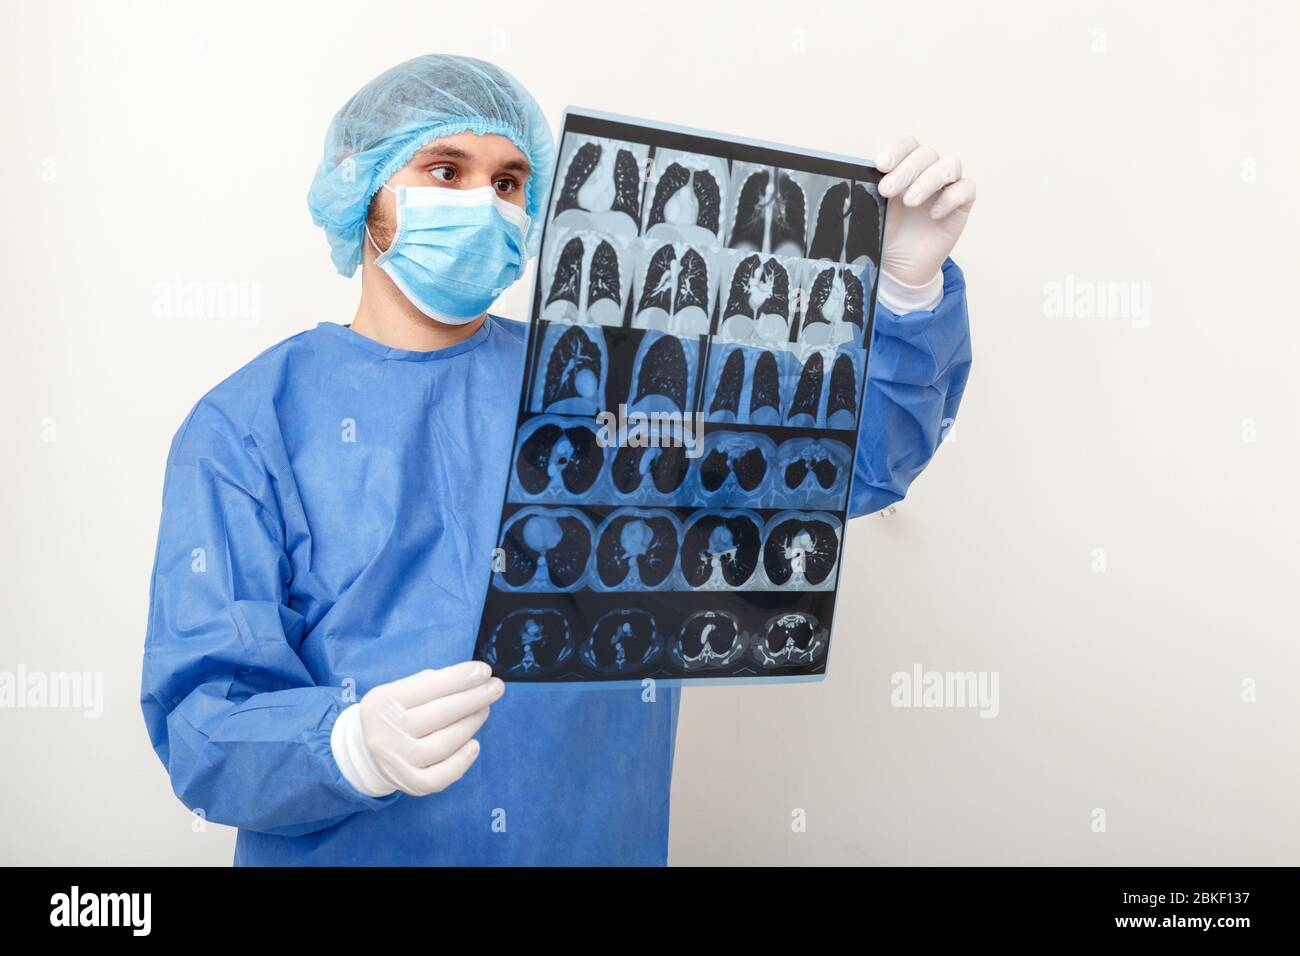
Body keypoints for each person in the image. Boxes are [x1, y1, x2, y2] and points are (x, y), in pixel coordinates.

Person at [140, 53, 975, 866]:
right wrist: (343, 747)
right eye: (444, 170)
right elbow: (202, 716)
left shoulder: (612, 386)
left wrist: (905, 289)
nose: (483, 202)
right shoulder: (252, 424)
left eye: (507, 183)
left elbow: (842, 470)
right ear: (364, 191)